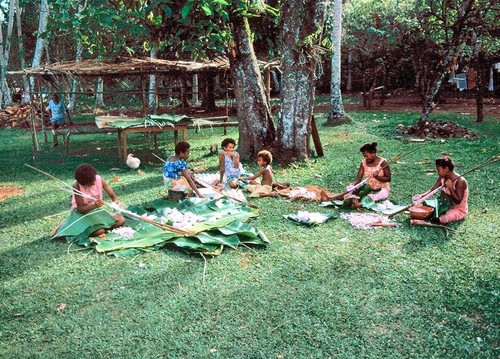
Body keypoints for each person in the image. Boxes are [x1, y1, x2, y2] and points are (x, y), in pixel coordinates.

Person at [52, 164, 125, 239]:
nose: (93, 183)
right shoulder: (77, 186)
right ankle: (69, 224)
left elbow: (113, 196)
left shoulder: (99, 179)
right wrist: (95, 205)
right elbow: (80, 209)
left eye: (93, 180)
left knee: (121, 220)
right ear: (83, 183)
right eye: (89, 183)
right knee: (100, 231)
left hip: (95, 212)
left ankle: (97, 226)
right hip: (81, 215)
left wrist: (116, 202)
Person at [417, 156, 468, 224]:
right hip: (443, 205)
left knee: (442, 218)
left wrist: (450, 188)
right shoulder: (443, 177)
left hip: (458, 210)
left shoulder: (460, 181)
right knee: (426, 209)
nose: (438, 173)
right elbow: (433, 190)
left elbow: (458, 201)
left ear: (446, 169)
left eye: (439, 170)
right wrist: (421, 196)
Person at [345, 142, 391, 208]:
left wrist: (377, 176)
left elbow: (388, 179)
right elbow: (359, 178)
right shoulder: (363, 162)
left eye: (367, 156)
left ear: (373, 153)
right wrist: (354, 186)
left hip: (381, 188)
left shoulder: (383, 163)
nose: (366, 158)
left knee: (381, 194)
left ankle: (360, 204)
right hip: (368, 187)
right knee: (353, 191)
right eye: (364, 156)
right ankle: (352, 199)